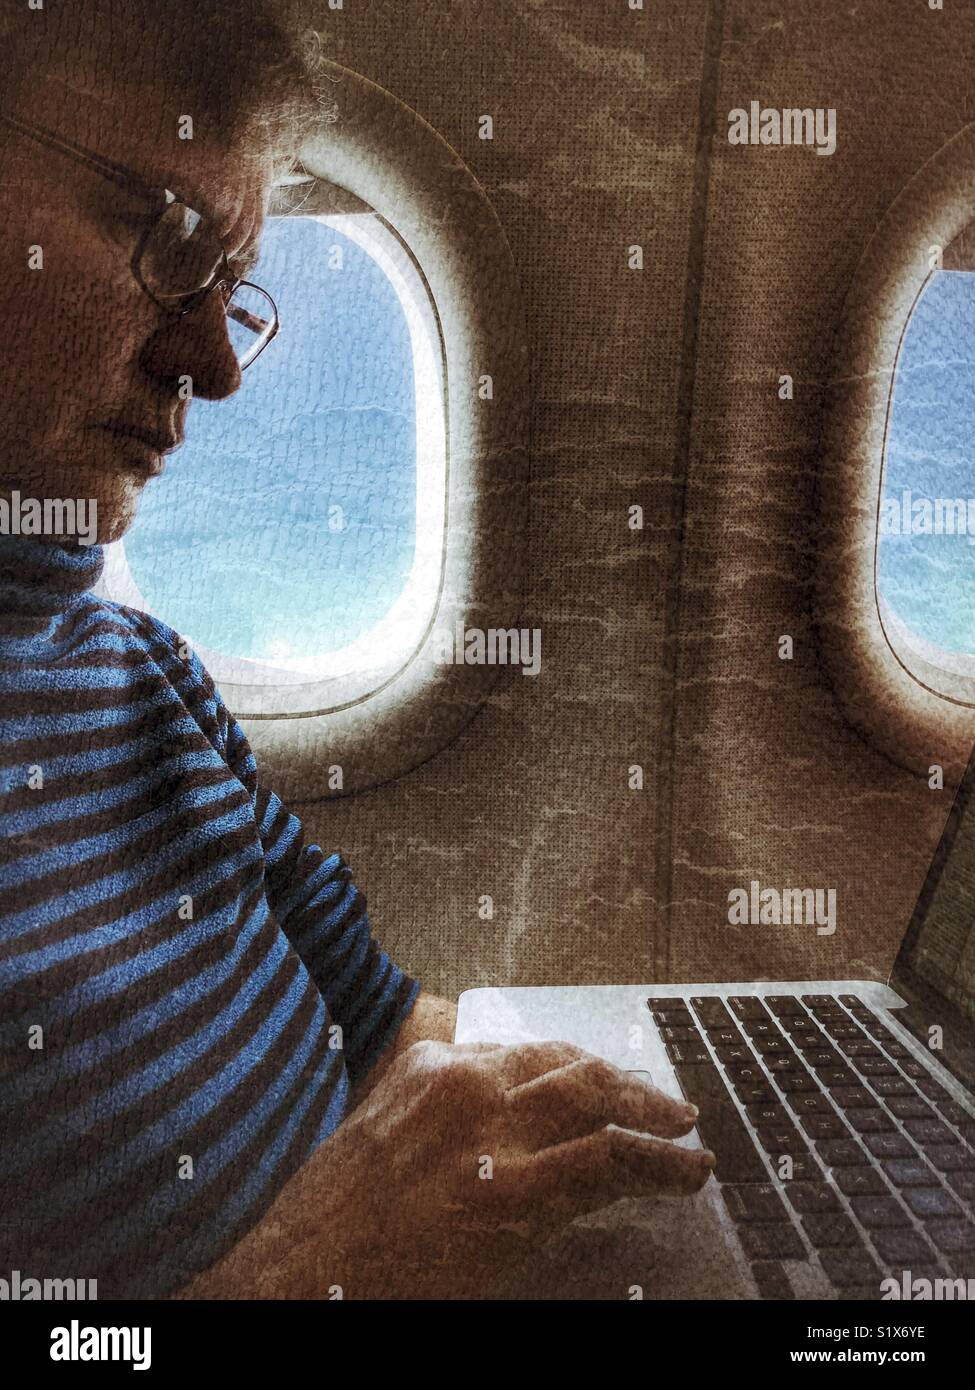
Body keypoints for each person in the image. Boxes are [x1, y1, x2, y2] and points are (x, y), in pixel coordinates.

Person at [0, 0, 715, 1299]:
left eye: (232, 288)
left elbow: (395, 1027)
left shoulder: (153, 680)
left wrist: (655, 1125)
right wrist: (313, 1267)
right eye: (168, 242)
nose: (215, 368)